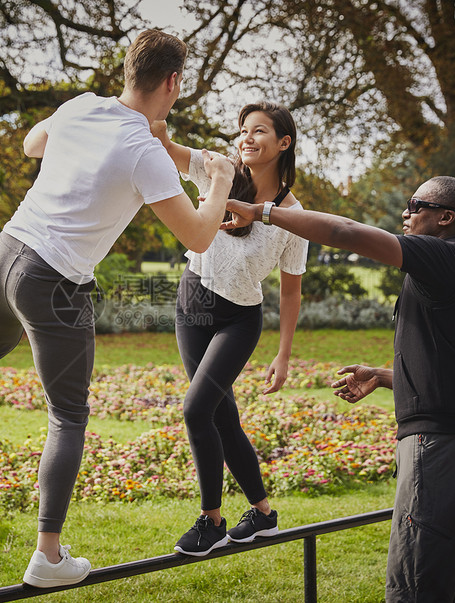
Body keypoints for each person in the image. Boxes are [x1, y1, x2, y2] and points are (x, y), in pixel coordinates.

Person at [0, 29, 235, 589]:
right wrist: (220, 181)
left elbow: (31, 145)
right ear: (172, 82)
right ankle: (48, 557)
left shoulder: (83, 107)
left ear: (127, 71)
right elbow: (200, 235)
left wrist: (132, 139)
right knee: (68, 415)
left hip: (7, 251)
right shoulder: (142, 151)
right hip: (55, 280)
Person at [223, 176, 455, 602]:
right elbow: (454, 370)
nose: (406, 213)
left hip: (437, 448)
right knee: (442, 582)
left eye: (417, 205)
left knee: (414, 587)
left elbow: (345, 232)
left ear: (446, 218)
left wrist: (263, 212)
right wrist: (385, 375)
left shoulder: (444, 257)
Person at [151, 102, 309, 556]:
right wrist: (157, 116)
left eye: (259, 131)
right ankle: (262, 514)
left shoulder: (292, 216)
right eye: (243, 130)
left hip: (239, 318)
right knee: (222, 416)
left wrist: (283, 355)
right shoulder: (218, 171)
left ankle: (211, 521)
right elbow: (166, 146)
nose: (246, 138)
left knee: (196, 410)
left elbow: (291, 292)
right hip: (193, 304)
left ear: (284, 142)